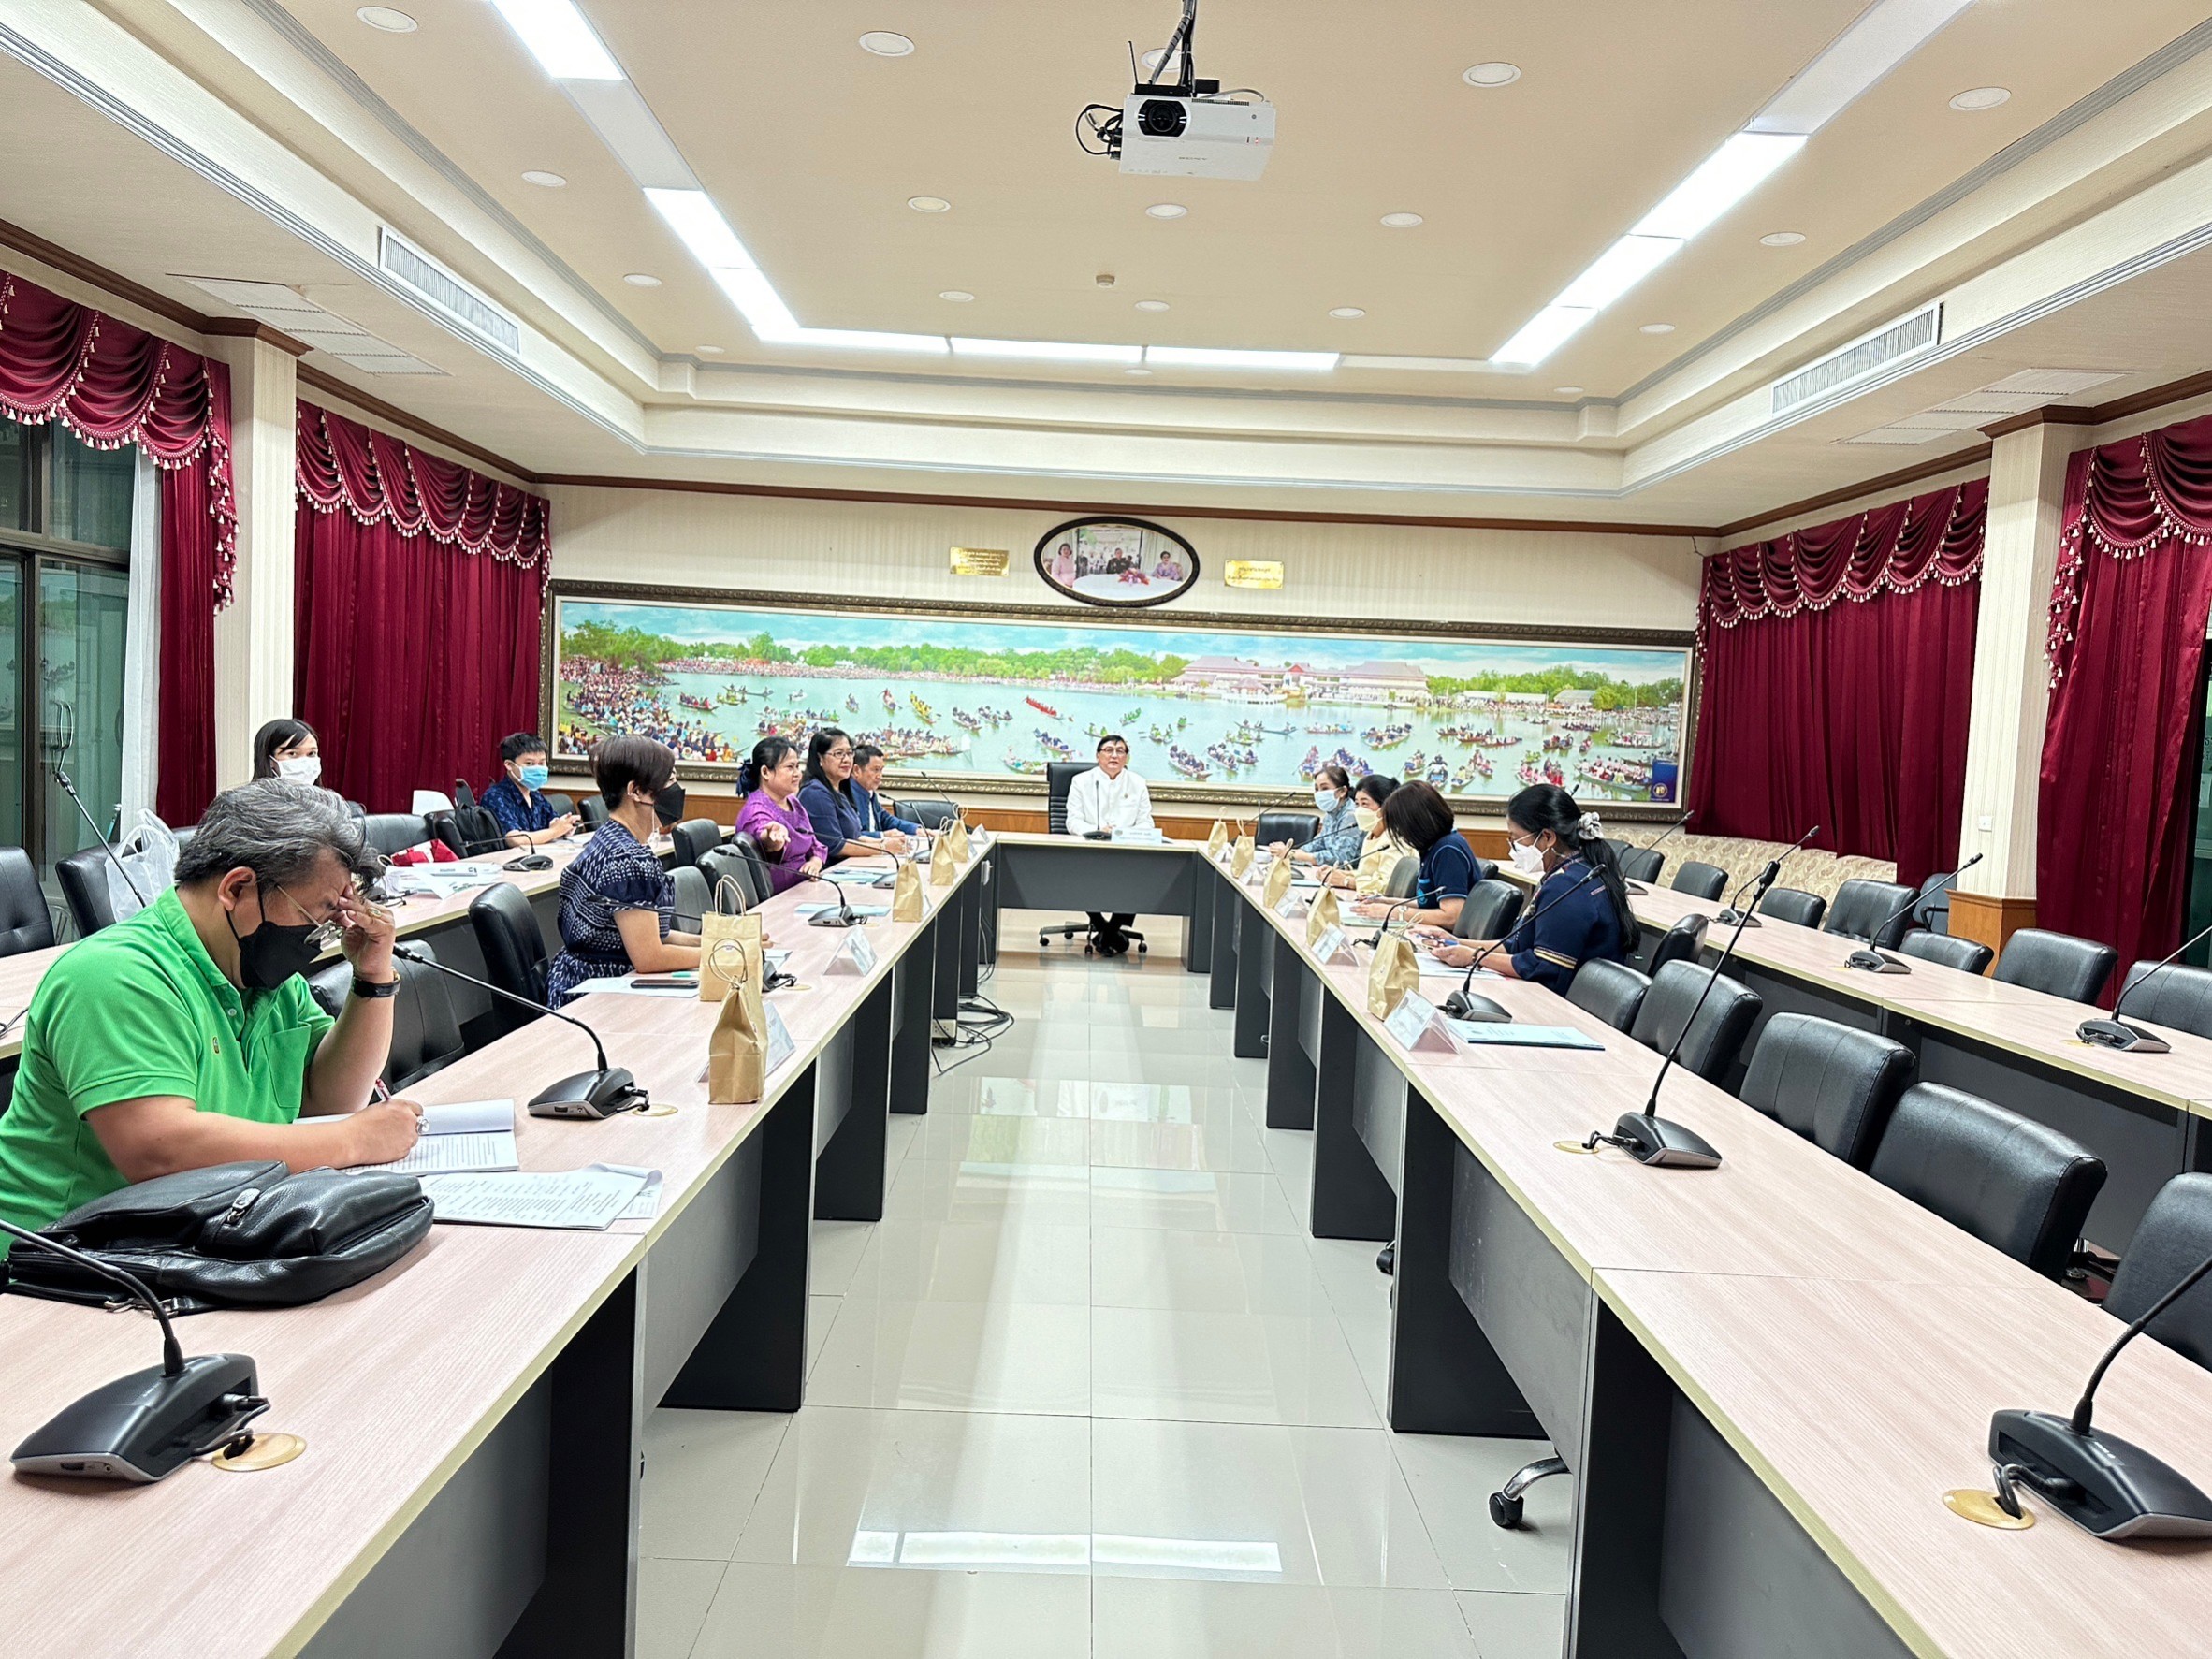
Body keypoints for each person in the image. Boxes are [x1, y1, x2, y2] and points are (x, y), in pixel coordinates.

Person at [0, 780, 423, 1248]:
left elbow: (330, 1100)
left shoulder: (262, 977)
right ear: (237, 888)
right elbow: (158, 1151)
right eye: (318, 915)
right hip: (59, 1259)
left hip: (196, 1236)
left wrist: (372, 977)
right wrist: (352, 1141)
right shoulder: (114, 975)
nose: (326, 933)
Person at [1410, 783, 1631, 993]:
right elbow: (1516, 945)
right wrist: (1457, 943)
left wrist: (1474, 956)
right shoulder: (1570, 872)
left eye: (1516, 839)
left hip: (1561, 1003)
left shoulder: (1567, 886)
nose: (1513, 847)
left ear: (1547, 837)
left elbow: (1544, 968)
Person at [546, 736, 702, 1007]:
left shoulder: (612, 836)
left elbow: (654, 933)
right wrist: (723, 954)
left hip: (584, 981)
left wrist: (719, 941)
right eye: (669, 780)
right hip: (596, 998)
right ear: (636, 791)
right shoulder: (627, 858)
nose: (676, 789)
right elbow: (650, 957)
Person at [1064, 734, 1153, 954]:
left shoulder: (1138, 783)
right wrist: (1096, 832)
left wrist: (1123, 834)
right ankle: (1107, 930)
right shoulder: (1081, 781)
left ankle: (1108, 931)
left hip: (1126, 851)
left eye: (1120, 751)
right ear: (1098, 756)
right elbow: (1072, 821)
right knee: (1081, 877)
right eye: (1108, 750)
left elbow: (1146, 823)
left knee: (1137, 878)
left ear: (1126, 757)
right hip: (1089, 849)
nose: (1114, 755)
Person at [1353, 779, 1475, 932]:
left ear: (1414, 822)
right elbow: (1429, 903)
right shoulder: (1432, 847)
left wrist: (1393, 912)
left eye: (1400, 825)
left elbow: (1451, 917)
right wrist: (1386, 902)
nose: (1399, 832)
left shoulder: (1448, 850)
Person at [796, 728, 910, 863]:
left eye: (849, 753)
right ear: (820, 758)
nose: (846, 760)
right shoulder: (815, 793)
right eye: (839, 754)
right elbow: (835, 846)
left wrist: (888, 842)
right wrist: (883, 847)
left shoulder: (839, 791)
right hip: (828, 869)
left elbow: (856, 837)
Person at [735, 736, 827, 895]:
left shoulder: (793, 802)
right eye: (790, 767)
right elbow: (765, 836)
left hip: (807, 888)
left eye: (797, 766)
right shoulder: (756, 810)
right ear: (766, 772)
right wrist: (772, 839)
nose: (797, 774)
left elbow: (814, 844)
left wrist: (815, 862)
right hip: (781, 897)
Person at [482, 731, 578, 849]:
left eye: (541, 763)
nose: (537, 768)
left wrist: (565, 826)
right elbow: (515, 839)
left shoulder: (535, 795)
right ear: (509, 765)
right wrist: (555, 831)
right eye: (529, 763)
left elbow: (551, 822)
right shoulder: (495, 796)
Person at [1324, 774, 1411, 895]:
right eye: (1357, 804)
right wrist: (1341, 874)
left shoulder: (1395, 839)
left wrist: (1346, 881)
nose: (1359, 810)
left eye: (1365, 804)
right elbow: (1368, 874)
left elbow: (1389, 885)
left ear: (1385, 806)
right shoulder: (1372, 834)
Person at [1272, 764, 1361, 871]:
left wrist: (1293, 855)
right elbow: (1318, 843)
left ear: (1342, 791)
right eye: (1316, 789)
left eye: (1325, 788)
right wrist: (1291, 852)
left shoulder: (1351, 816)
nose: (1319, 793)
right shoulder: (1331, 813)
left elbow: (1340, 858)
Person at [851, 745, 926, 841]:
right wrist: (882, 835)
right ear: (857, 770)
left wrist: (916, 830)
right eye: (875, 770)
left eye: (881, 770)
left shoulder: (870, 793)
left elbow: (886, 819)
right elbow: (852, 835)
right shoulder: (846, 796)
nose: (879, 776)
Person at [251, 718, 323, 785]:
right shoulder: (250, 795)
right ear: (270, 760)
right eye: (292, 753)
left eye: (311, 753)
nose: (305, 762)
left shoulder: (324, 794)